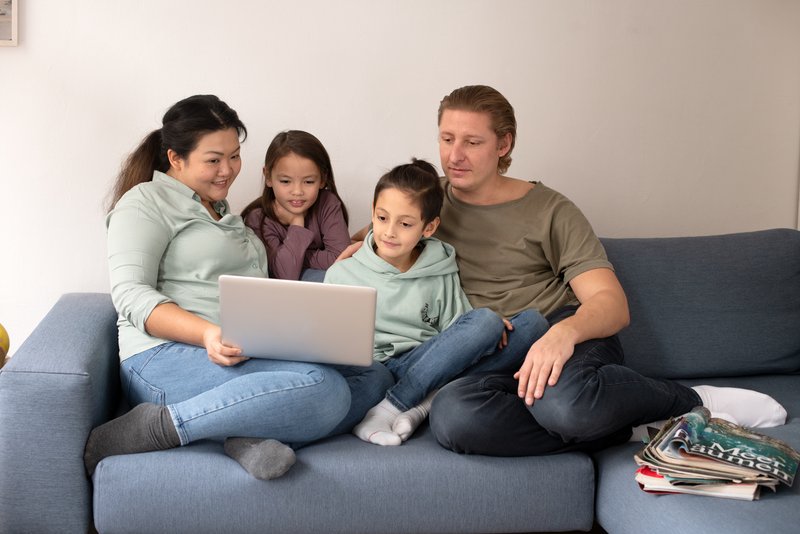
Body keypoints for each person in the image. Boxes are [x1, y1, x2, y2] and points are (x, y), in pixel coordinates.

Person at [425, 85, 788, 456]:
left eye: (472, 142)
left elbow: (610, 303)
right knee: (454, 418)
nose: (454, 155)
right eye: (447, 138)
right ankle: (618, 427)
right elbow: (380, 236)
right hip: (493, 354)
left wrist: (563, 333)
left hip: (564, 333)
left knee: (566, 406)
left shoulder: (550, 209)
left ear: (503, 145)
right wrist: (360, 248)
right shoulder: (424, 202)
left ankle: (690, 399)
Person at [85, 95, 392, 481]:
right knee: (323, 388)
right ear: (176, 158)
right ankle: (163, 426)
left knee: (374, 376)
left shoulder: (226, 213)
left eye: (234, 156)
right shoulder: (145, 202)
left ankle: (242, 436)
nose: (227, 170)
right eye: (213, 160)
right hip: (165, 358)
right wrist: (208, 333)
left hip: (237, 347)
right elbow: (131, 295)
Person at [325, 159, 549, 446]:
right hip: (375, 373)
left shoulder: (441, 265)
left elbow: (456, 330)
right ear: (372, 214)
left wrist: (486, 330)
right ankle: (402, 405)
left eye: (405, 224)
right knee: (487, 321)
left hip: (428, 366)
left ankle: (413, 406)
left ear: (428, 228)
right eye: (382, 218)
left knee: (531, 325)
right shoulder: (343, 272)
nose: (390, 231)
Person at [241, 130, 351, 282]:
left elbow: (342, 258)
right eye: (285, 181)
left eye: (308, 182)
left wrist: (296, 257)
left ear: (322, 179)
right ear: (268, 177)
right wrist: (297, 223)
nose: (297, 192)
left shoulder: (327, 203)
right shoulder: (258, 219)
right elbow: (284, 274)